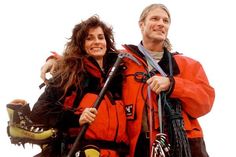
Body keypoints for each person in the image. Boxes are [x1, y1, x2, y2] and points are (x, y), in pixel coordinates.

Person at [40, 4, 215, 157]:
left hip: (183, 143)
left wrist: (172, 84)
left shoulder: (187, 64)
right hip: (138, 146)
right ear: (142, 24)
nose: (161, 23)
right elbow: (90, 53)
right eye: (155, 18)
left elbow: (205, 102)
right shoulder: (122, 60)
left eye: (165, 20)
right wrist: (55, 60)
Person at [7, 15, 129, 157]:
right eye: (89, 38)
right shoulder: (70, 75)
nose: (97, 42)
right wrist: (76, 118)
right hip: (81, 152)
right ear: (80, 44)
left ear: (107, 41)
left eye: (100, 37)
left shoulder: (120, 72)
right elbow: (40, 112)